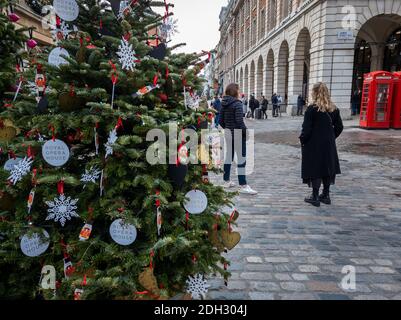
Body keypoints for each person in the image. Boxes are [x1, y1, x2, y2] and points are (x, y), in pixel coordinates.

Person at [299, 82, 344, 207]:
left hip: (314, 144)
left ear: (314, 93)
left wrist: (303, 139)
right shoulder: (334, 109)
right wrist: (331, 137)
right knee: (327, 167)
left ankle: (314, 196)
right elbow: (339, 127)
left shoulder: (311, 109)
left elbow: (306, 129)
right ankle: (326, 195)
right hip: (329, 144)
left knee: (315, 168)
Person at [220, 83, 258, 195]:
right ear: (235, 91)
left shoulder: (223, 103)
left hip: (228, 133)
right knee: (241, 159)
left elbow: (220, 121)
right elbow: (240, 121)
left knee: (228, 157)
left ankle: (226, 181)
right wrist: (246, 133)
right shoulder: (237, 104)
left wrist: (227, 128)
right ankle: (243, 185)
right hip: (237, 134)